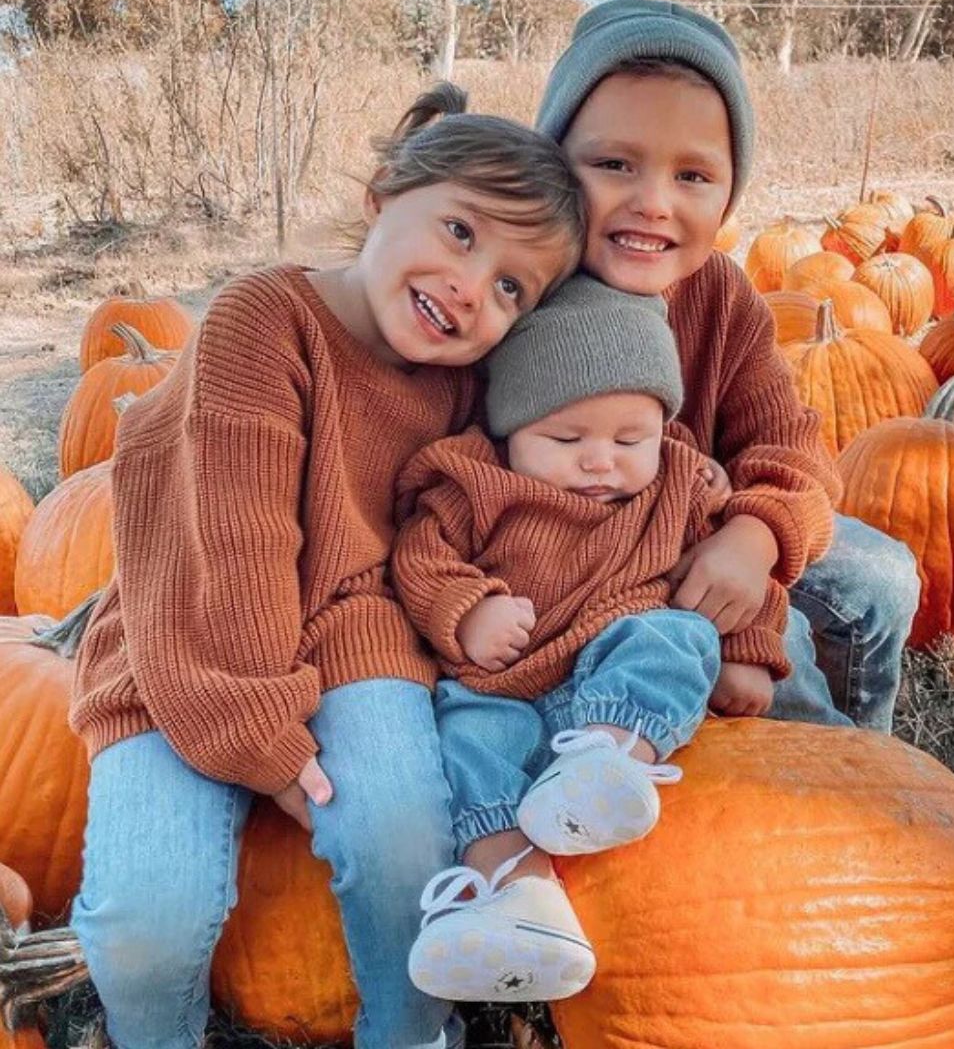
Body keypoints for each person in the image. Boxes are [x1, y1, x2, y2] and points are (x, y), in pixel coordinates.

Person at [66, 83, 585, 1049]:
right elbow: (232, 547)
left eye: (515, 286)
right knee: (147, 918)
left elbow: (461, 520)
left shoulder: (466, 378)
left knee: (399, 839)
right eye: (463, 233)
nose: (474, 288)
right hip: (184, 631)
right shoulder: (263, 319)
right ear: (384, 195)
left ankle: (413, 1030)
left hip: (357, 623)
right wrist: (267, 746)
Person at [394, 274, 786, 1003]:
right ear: (511, 428)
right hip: (502, 688)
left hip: (612, 679)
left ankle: (609, 763)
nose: (600, 460)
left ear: (661, 429)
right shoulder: (475, 483)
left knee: (673, 633)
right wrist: (467, 610)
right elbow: (420, 558)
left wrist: (751, 649)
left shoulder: (680, 481)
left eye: (628, 438)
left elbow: (739, 580)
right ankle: (516, 893)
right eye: (565, 438)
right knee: (462, 738)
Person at [534, 0, 921, 732]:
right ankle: (804, 758)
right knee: (785, 651)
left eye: (693, 177)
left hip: (716, 516)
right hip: (585, 551)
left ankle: (869, 757)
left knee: (881, 577)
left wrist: (756, 537)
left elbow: (794, 449)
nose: (653, 202)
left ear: (728, 194)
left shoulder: (720, 295)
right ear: (554, 165)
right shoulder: (520, 290)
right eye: (614, 164)